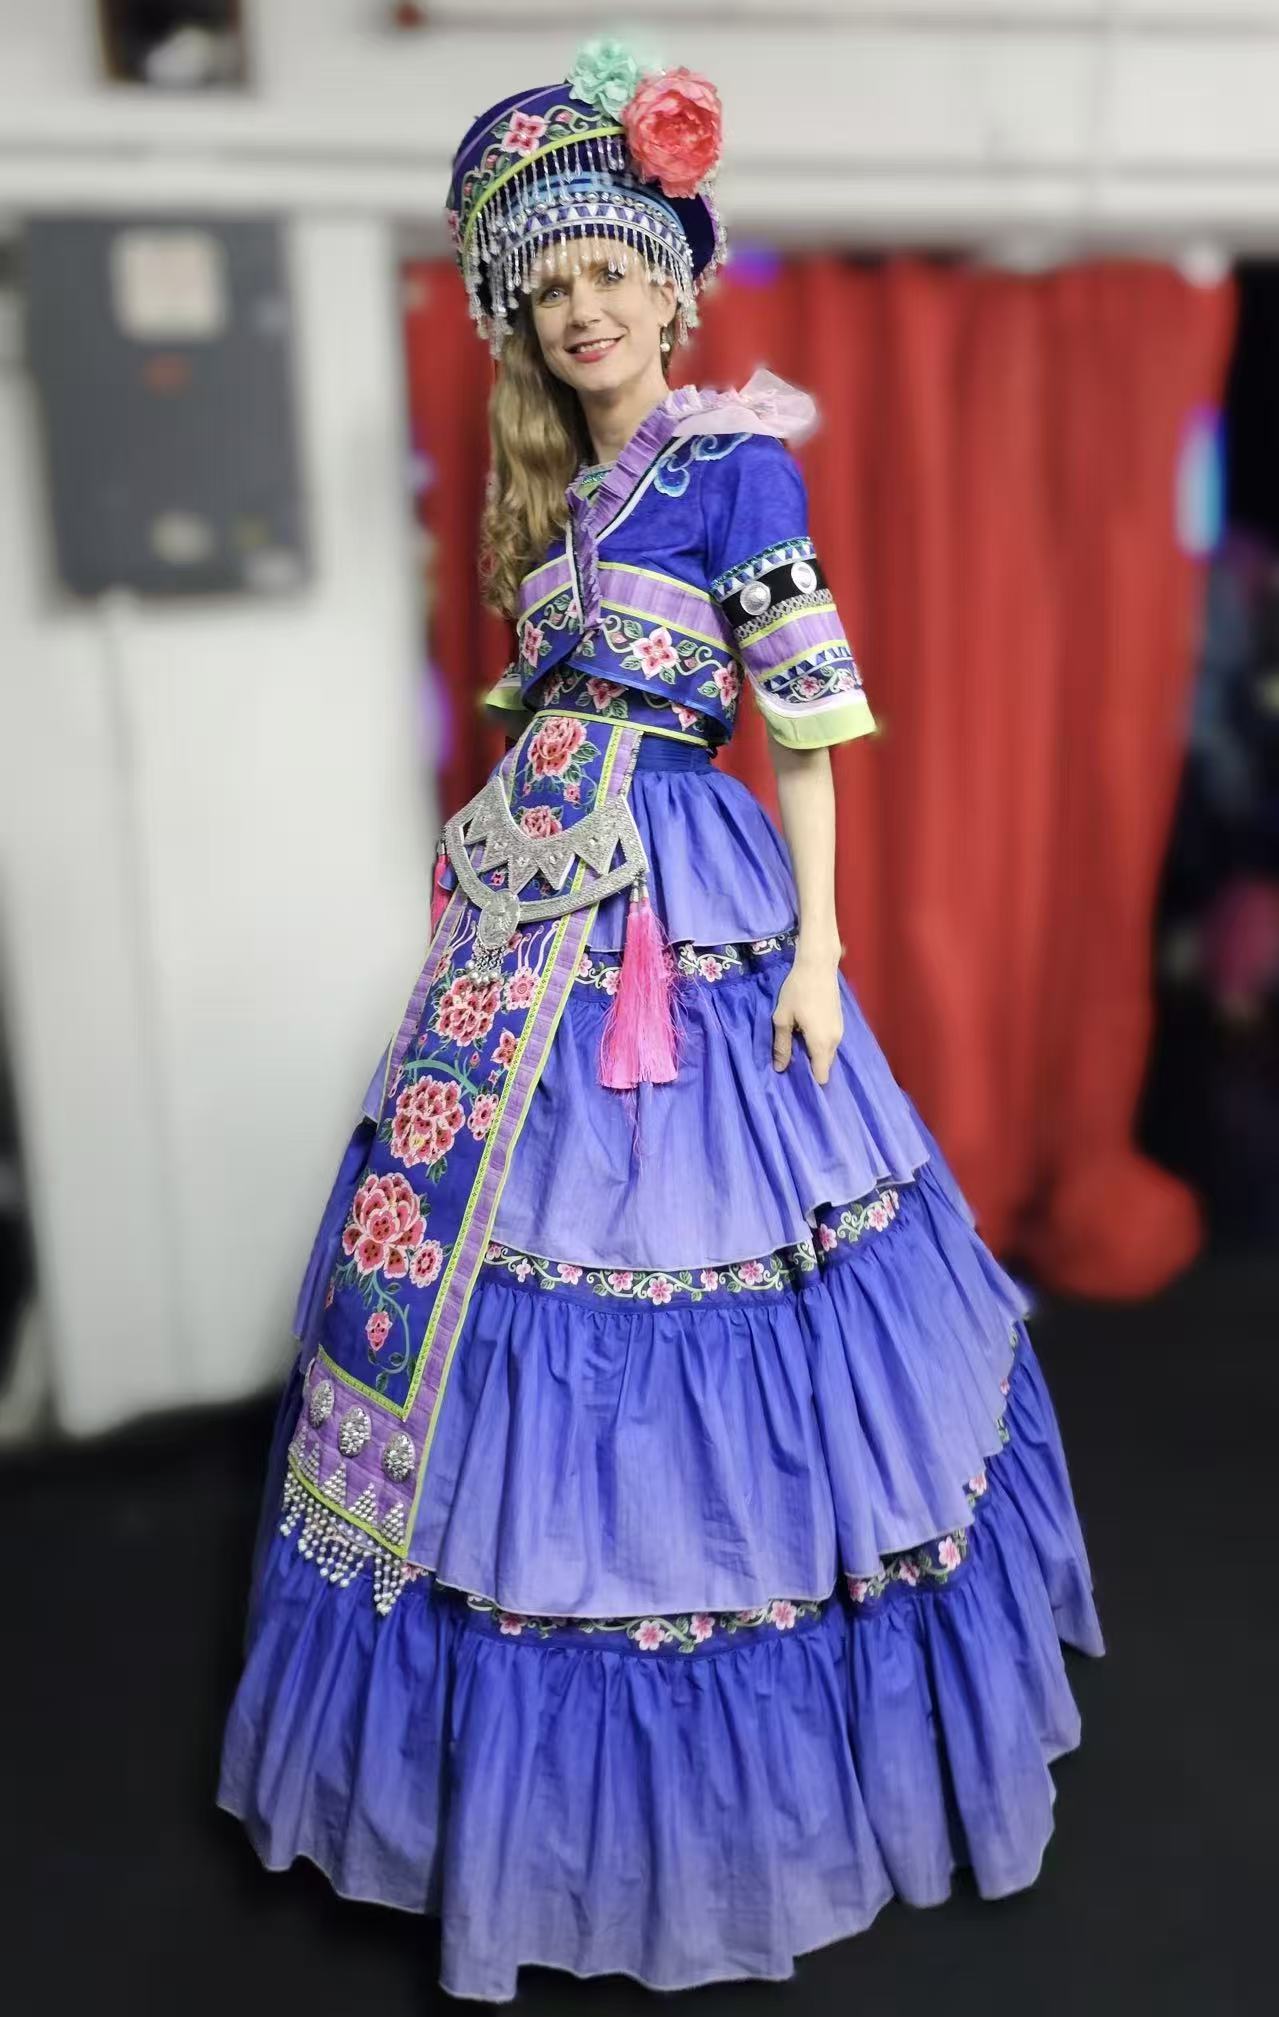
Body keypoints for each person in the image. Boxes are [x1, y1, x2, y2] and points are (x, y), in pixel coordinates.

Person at [218, 42, 1105, 2004]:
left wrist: (819, 945)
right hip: (527, 936)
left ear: (671, 279)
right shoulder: (557, 509)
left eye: (608, 269)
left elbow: (805, 715)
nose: (583, 309)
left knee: (713, 1279)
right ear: (526, 323)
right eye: (548, 289)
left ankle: (740, 1702)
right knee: (511, 1282)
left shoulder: (735, 466)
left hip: (681, 917)